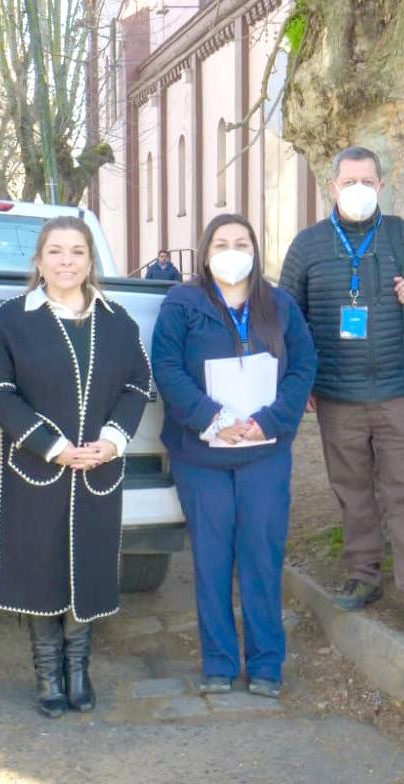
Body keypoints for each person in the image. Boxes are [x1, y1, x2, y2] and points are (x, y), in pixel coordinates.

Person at [0, 216, 152, 718]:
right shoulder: (12, 319)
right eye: (55, 251)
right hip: (37, 467)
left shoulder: (117, 320)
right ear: (38, 260)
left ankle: (79, 669)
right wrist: (50, 446)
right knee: (40, 568)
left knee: (90, 564)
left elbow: (137, 385)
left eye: (77, 251)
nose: (66, 261)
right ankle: (47, 675)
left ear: (90, 260)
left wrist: (113, 440)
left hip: (98, 468)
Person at [279, 146, 404, 639]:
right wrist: (301, 380)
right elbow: (289, 318)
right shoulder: (307, 245)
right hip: (336, 394)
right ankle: (363, 574)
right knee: (352, 491)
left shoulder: (403, 235)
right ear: (332, 187)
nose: (358, 189)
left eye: (367, 181)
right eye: (349, 181)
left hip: (396, 390)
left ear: (381, 186)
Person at [152, 214, 316, 697]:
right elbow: (166, 366)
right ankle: (219, 663)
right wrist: (212, 418)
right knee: (212, 556)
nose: (231, 251)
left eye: (241, 242)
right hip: (201, 452)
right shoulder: (181, 303)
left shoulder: (279, 304)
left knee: (262, 553)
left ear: (255, 250)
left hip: (264, 450)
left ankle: (266, 664)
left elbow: (304, 365)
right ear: (205, 253)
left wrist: (270, 420)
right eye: (221, 243)